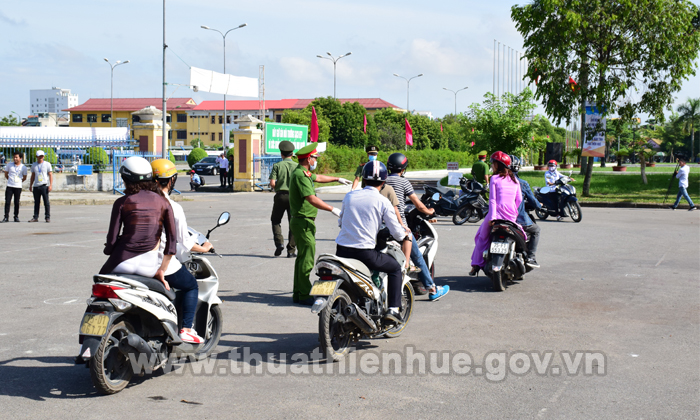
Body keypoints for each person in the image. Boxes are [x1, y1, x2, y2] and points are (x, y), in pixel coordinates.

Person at [336, 161, 412, 324]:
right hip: (365, 254)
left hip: (341, 251)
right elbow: (396, 231)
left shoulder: (350, 196)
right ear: (383, 182)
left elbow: (341, 222)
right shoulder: (382, 201)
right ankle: (393, 309)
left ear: (363, 179)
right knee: (395, 268)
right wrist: (404, 233)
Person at [152, 159, 213, 344]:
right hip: (158, 261)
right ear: (171, 181)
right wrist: (204, 247)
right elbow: (183, 242)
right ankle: (186, 328)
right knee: (191, 285)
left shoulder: (136, 202)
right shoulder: (172, 207)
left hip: (131, 259)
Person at [100, 156, 176, 292]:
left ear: (125, 179)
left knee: (99, 286)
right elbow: (172, 242)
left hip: (121, 262)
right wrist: (162, 270)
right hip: (149, 267)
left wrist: (108, 250)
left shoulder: (122, 202)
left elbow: (112, 239)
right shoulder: (164, 202)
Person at [289, 143, 351, 305]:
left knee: (302, 257)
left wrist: (337, 179)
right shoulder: (301, 176)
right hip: (303, 221)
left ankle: (299, 292)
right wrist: (332, 209)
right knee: (307, 259)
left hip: (303, 221)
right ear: (309, 159)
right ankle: (303, 294)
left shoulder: (303, 173)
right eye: (315, 158)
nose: (316, 160)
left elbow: (319, 178)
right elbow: (311, 198)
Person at [385, 153, 450, 301]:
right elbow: (418, 204)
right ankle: (432, 289)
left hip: (381, 226)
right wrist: (430, 211)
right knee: (418, 256)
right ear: (403, 168)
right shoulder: (403, 182)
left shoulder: (383, 180)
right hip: (399, 227)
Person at [469, 152, 524, 276]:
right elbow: (519, 200)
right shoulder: (515, 180)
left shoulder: (494, 178)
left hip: (496, 215)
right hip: (511, 216)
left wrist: (493, 217)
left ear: (498, 165)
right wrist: (513, 212)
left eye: (493, 163)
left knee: (481, 237)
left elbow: (492, 200)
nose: (491, 166)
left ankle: (476, 264)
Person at [510, 155, 541, 268]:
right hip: (518, 219)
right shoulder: (520, 183)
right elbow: (532, 201)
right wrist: (539, 206)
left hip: (498, 218)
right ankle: (531, 257)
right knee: (536, 230)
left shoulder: (497, 181)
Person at [269, 141, 298, 258]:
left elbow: (272, 183)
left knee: (276, 220)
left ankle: (279, 243)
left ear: (281, 154)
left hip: (280, 196)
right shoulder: (297, 166)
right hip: (294, 197)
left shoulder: (277, 166)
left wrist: (279, 188)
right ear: (292, 154)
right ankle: (291, 251)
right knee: (293, 223)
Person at [2, 151, 28, 223]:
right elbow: (6, 174)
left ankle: (16, 216)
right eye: (14, 157)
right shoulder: (9, 165)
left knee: (16, 202)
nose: (15, 159)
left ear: (20, 158)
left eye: (16, 157)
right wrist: (10, 180)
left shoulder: (23, 167)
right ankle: (6, 217)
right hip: (10, 186)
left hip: (18, 186)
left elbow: (25, 177)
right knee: (7, 202)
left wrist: (19, 182)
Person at [29, 150, 53, 223]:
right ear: (36, 156)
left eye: (42, 156)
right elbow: (33, 175)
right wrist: (30, 185)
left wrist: (50, 185)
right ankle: (35, 217)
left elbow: (50, 174)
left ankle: (47, 217)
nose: (41, 157)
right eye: (39, 156)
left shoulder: (47, 164)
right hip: (36, 185)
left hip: (44, 185)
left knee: (46, 202)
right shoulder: (34, 165)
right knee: (36, 202)